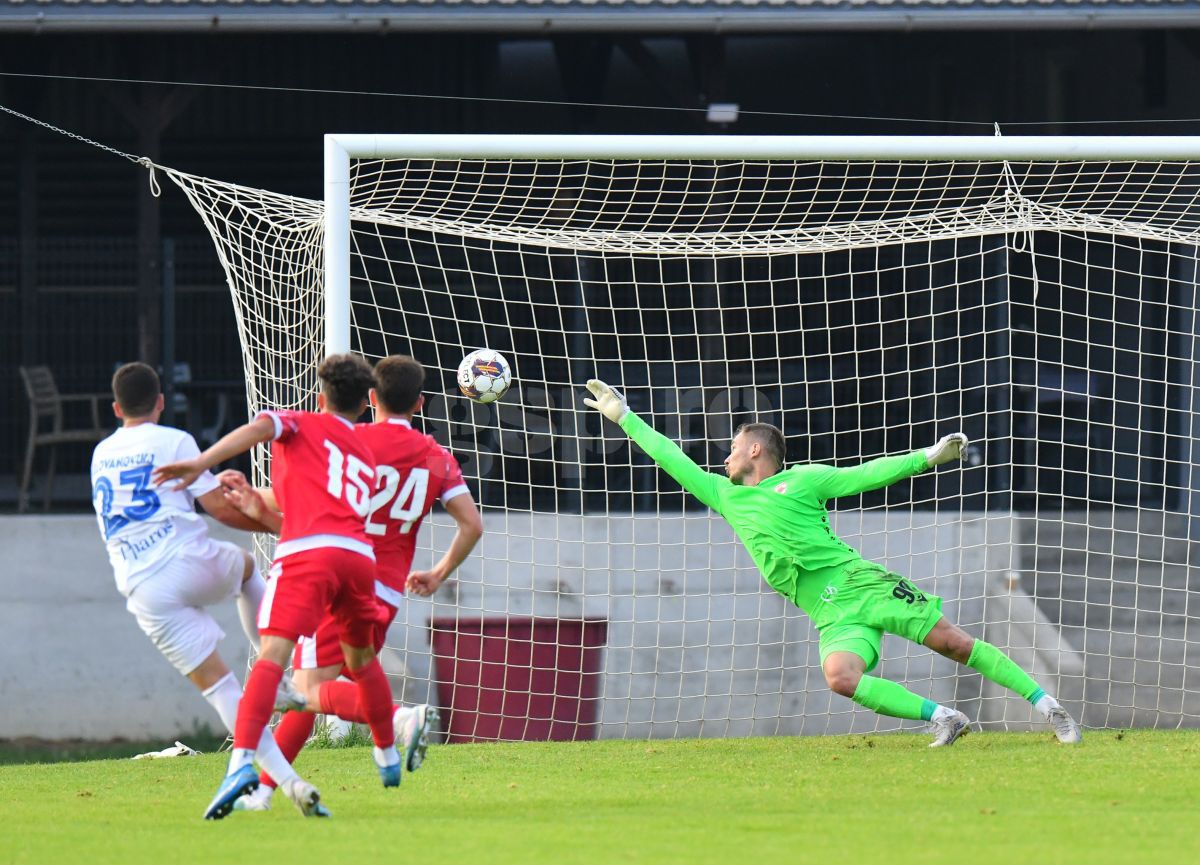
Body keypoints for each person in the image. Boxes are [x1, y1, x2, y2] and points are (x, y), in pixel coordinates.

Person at [582, 379, 1082, 746]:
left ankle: (1048, 707)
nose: (725, 458)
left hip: (860, 582)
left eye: (733, 449)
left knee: (953, 642)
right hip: (828, 612)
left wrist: (926, 458)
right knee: (842, 677)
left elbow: (863, 475)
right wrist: (625, 417)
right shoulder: (723, 494)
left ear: (755, 449)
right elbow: (672, 458)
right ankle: (944, 717)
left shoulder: (802, 481)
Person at [226, 354, 483, 811]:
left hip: (335, 576)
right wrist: (439, 573)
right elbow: (472, 525)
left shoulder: (351, 438)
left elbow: (304, 495)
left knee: (304, 690)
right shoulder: (437, 456)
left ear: (370, 398)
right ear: (420, 403)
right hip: (383, 587)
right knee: (335, 679)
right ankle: (264, 791)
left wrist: (254, 505)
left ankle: (402, 721)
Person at [154, 353, 402, 820]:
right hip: (358, 558)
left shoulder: (300, 423)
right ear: (363, 406)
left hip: (308, 555)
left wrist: (200, 463)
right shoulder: (365, 451)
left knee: (272, 658)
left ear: (319, 395)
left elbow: (257, 430)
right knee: (362, 661)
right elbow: (319, 513)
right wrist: (258, 505)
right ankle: (387, 754)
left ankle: (241, 763)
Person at [90, 362, 317, 815]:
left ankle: (277, 781)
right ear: (159, 402)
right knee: (248, 567)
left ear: (116, 408)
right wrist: (282, 522)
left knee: (221, 690)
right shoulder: (173, 440)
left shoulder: (100, 452)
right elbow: (222, 512)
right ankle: (274, 678)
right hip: (182, 558)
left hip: (140, 588)